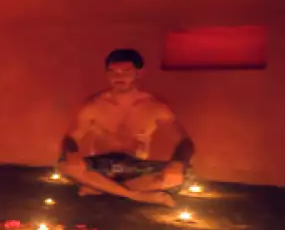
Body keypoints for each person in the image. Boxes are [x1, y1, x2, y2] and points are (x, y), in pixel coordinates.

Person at [55, 48, 194, 206]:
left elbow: (184, 141)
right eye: (112, 71)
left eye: (125, 71)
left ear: (139, 73)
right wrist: (72, 154)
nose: (118, 76)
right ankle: (137, 195)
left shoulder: (155, 106)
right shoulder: (94, 105)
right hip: (101, 168)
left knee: (186, 173)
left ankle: (100, 189)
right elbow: (70, 138)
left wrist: (177, 164)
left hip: (136, 169)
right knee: (65, 165)